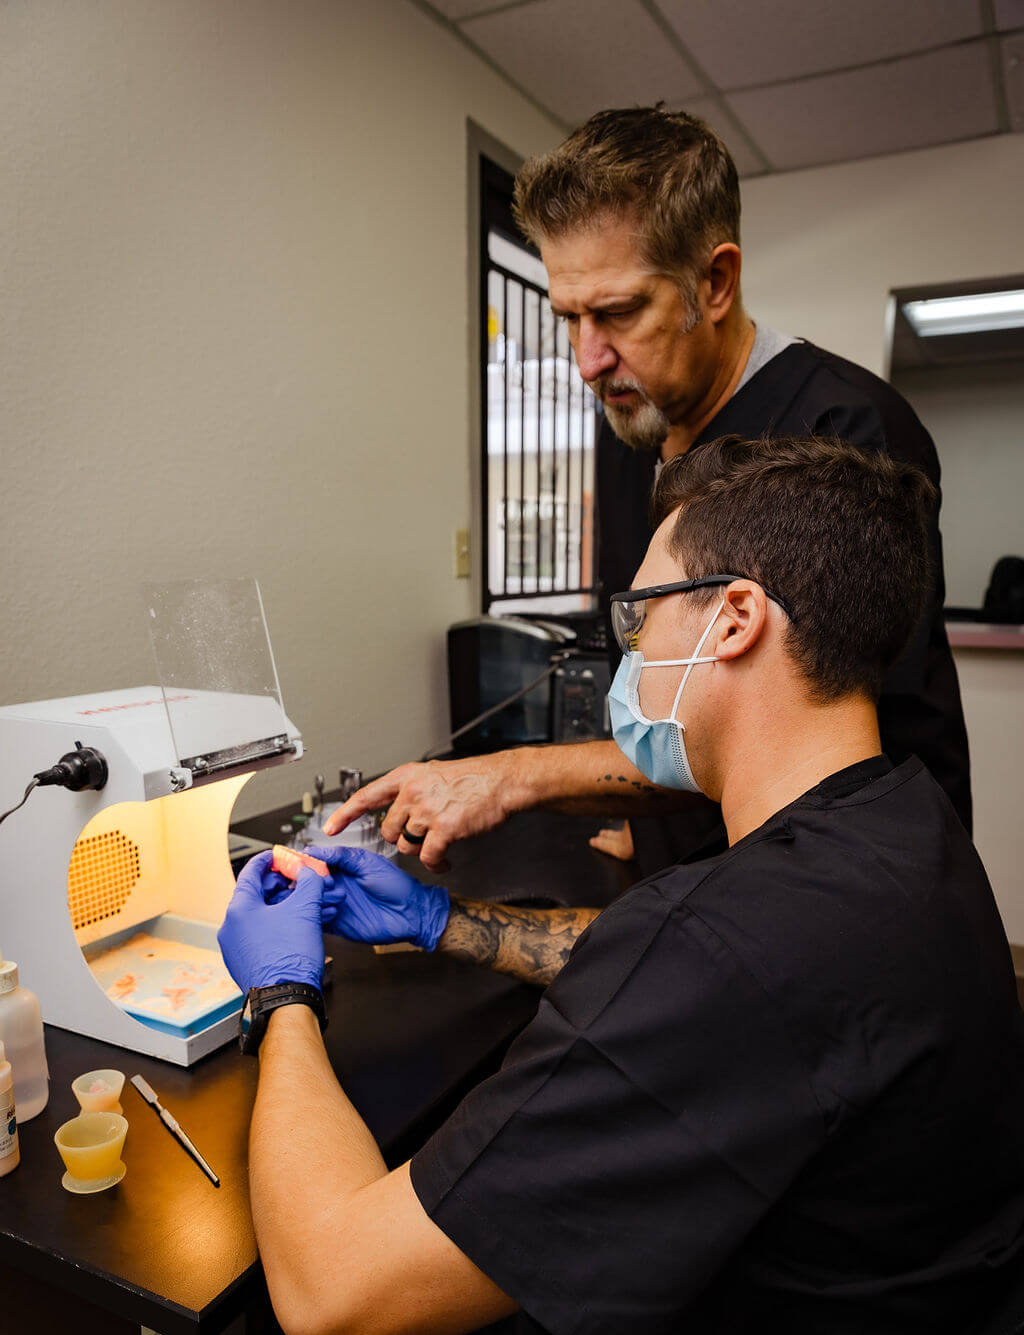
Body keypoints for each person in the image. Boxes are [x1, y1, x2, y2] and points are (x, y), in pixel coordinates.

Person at [72, 437, 1024, 1335]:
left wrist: (282, 995)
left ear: (733, 619)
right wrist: (443, 921)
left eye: (642, 614)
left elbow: (332, 1292)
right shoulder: (904, 837)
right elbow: (697, 981)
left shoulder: (727, 944)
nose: (627, 654)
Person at [327, 107, 971, 873]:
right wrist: (649, 824)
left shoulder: (845, 428)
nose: (587, 360)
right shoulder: (639, 416)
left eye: (619, 312)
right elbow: (658, 665)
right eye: (569, 318)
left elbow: (792, 732)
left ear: (716, 280)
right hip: (696, 862)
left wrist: (512, 774)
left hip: (834, 881)